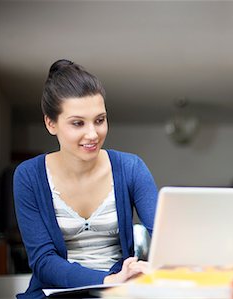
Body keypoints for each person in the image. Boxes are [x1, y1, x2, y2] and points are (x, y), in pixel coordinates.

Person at [13, 59, 158, 298]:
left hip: (118, 291)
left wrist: (151, 269)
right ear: (51, 123)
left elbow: (165, 236)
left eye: (99, 120)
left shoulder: (131, 168)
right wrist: (108, 279)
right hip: (56, 292)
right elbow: (43, 261)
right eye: (78, 123)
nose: (92, 134)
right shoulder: (28, 176)